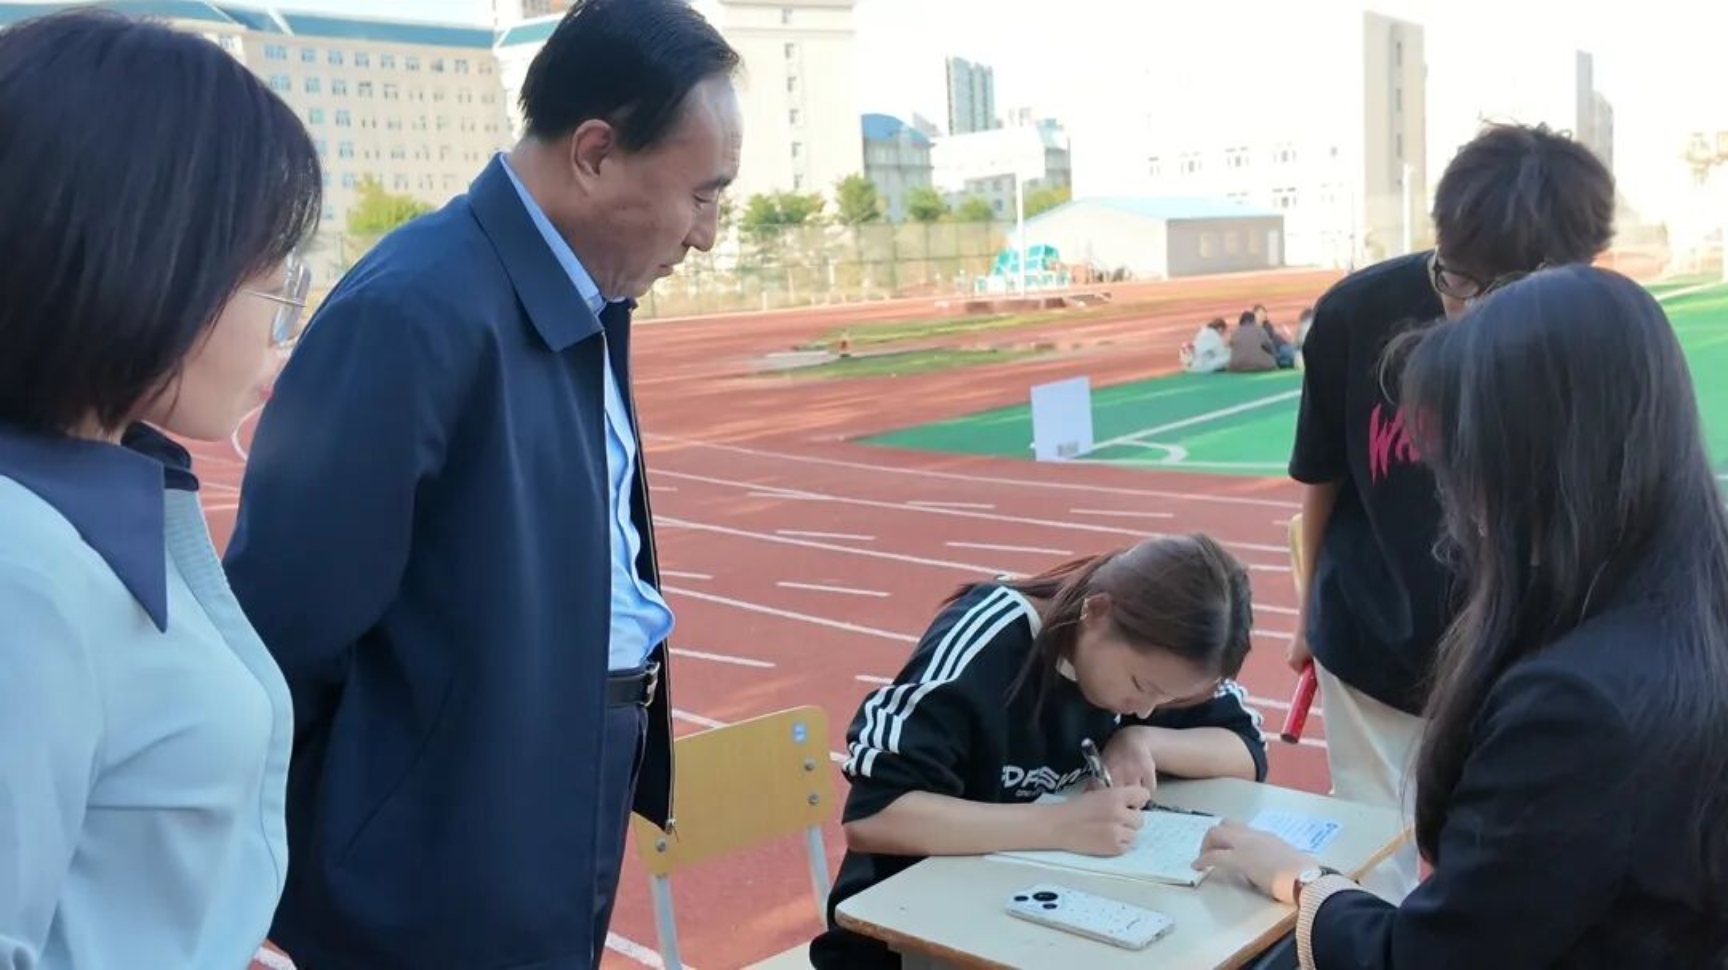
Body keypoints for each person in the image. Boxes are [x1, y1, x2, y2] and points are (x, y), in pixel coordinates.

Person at [222, 1, 742, 966]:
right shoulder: (414, 310)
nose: (706, 235)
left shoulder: (578, 296)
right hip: (436, 853)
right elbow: (284, 628)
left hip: (550, 787)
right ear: (595, 153)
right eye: (702, 196)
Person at [1202, 266, 1728, 967]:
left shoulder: (1574, 707)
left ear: (1527, 460)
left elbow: (1428, 959)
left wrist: (1301, 881)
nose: (1452, 494)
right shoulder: (1685, 603)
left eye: (1457, 455)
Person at [0, 10, 320, 969]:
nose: (282, 323)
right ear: (154, 258)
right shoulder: (22, 571)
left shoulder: (90, 506)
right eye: (276, 278)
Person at [1284, 123, 1614, 900]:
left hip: (1529, 653)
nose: (1469, 313)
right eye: (1455, 281)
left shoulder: (1600, 342)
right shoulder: (1356, 313)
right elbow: (1324, 476)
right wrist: (1306, 617)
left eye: (1504, 292)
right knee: (1376, 858)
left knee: (1512, 863)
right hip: (1374, 638)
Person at [810, 535, 1269, 968]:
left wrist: (1145, 739)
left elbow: (1246, 751)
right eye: (1141, 686)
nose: (1146, 708)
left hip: (1033, 922)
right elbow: (875, 815)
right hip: (903, 938)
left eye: (1166, 699)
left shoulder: (1156, 662)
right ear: (1097, 612)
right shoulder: (988, 642)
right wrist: (1059, 825)